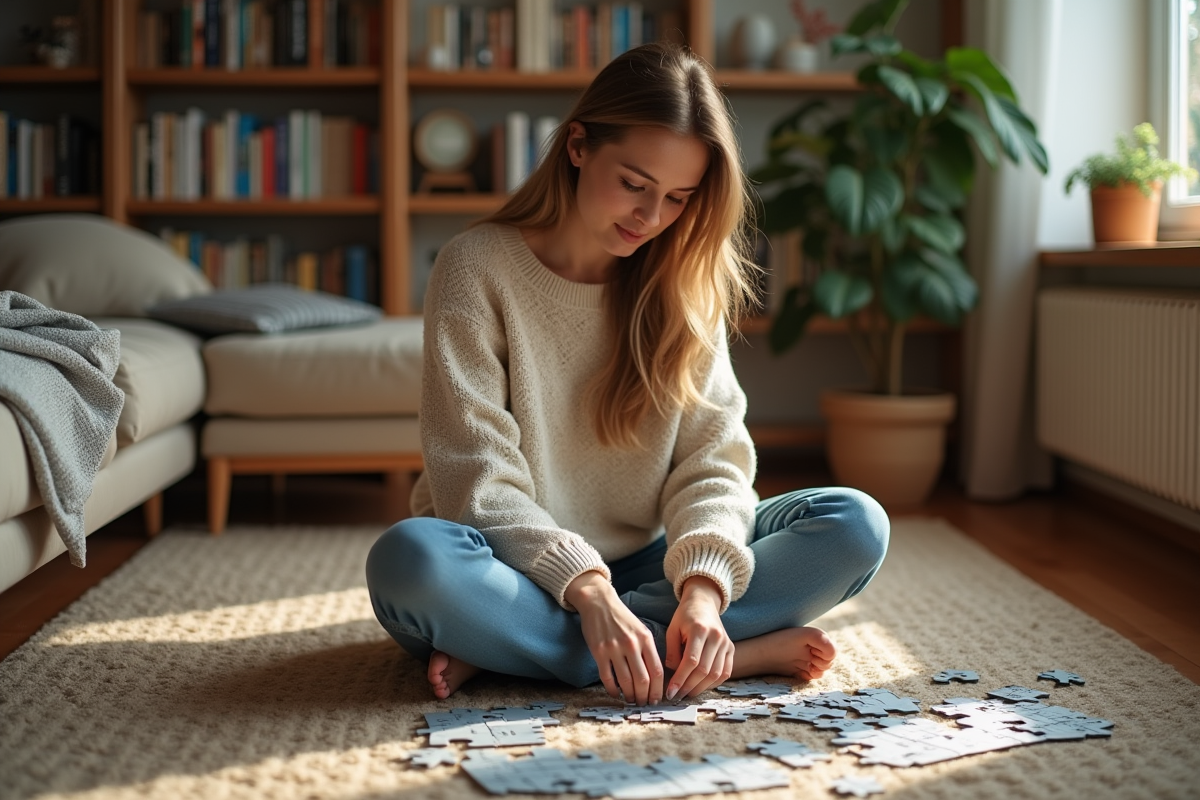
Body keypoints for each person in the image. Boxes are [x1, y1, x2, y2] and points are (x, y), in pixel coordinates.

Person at [366, 41, 889, 705]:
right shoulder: (475, 266)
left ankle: (519, 651)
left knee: (854, 525)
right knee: (408, 562)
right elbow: (475, 476)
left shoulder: (684, 279)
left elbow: (714, 464)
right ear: (578, 146)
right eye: (635, 185)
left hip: (653, 562)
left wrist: (701, 592)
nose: (650, 218)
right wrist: (588, 595)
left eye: (677, 198)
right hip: (511, 565)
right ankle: (727, 653)